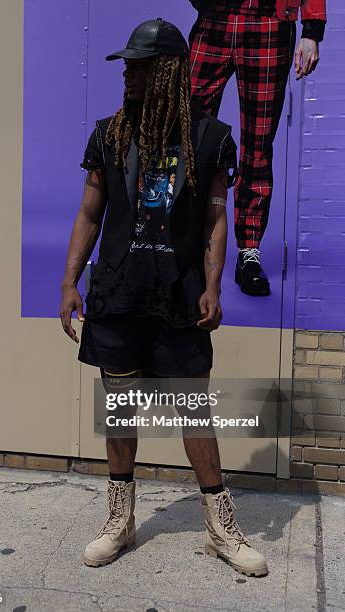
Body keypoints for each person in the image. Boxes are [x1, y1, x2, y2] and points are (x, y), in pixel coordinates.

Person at [60, 18, 268, 577]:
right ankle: (120, 522)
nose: (127, 73)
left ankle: (221, 528)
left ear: (169, 71)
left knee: (192, 411)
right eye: (127, 64)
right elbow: (88, 213)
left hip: (178, 295)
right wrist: (68, 282)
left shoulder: (209, 138)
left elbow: (216, 221)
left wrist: (214, 284)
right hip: (119, 293)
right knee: (121, 409)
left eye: (139, 65)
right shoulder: (109, 134)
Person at [189, 0, 327, 296]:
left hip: (269, 23)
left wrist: (312, 30)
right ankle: (179, 242)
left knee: (258, 145)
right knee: (189, 137)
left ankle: (248, 252)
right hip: (215, 18)